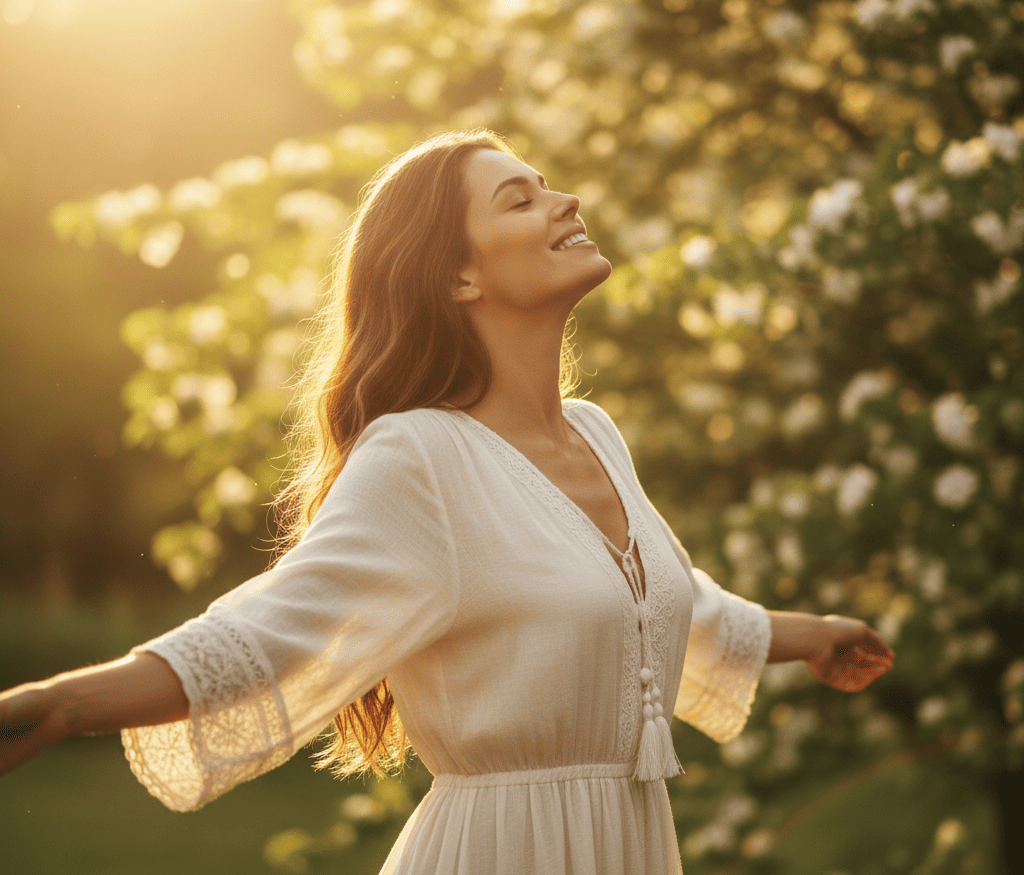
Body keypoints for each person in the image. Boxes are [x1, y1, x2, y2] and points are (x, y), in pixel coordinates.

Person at [0, 129, 895, 874]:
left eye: (548, 187)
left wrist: (808, 633)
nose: (566, 202)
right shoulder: (421, 454)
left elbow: (661, 600)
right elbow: (274, 630)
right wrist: (64, 703)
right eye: (520, 199)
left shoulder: (596, 434)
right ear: (459, 279)